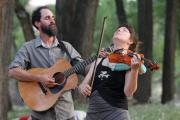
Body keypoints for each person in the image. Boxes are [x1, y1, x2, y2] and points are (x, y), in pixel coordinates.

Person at [8, 6, 84, 120]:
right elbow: (12, 71)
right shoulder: (28, 48)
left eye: (53, 17)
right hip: (41, 114)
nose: (52, 20)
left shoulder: (66, 47)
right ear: (37, 23)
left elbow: (83, 66)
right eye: (47, 18)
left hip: (66, 114)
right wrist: (39, 77)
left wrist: (96, 63)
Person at [79, 24, 142, 120]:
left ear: (130, 41)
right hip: (93, 113)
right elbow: (83, 84)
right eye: (118, 29)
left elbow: (129, 93)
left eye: (124, 30)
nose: (119, 30)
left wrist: (134, 70)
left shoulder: (130, 61)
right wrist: (82, 86)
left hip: (116, 114)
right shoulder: (99, 60)